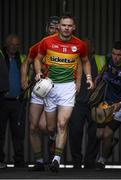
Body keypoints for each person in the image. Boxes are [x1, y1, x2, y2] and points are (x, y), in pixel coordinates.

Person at [34, 14, 94, 172]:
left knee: (62, 124)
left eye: (70, 26)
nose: (66, 28)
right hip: (50, 87)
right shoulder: (46, 42)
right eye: (64, 25)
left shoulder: (80, 44)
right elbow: (37, 58)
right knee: (50, 126)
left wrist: (88, 78)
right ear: (59, 27)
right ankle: (53, 137)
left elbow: (85, 61)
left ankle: (56, 159)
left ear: (73, 27)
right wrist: (38, 72)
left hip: (68, 88)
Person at [21, 16, 60, 171]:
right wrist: (24, 79)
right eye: (52, 28)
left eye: (58, 28)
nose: (55, 31)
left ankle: (52, 137)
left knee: (46, 126)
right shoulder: (38, 46)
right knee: (32, 127)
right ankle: (39, 161)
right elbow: (26, 63)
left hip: (54, 91)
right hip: (38, 90)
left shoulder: (63, 48)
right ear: (47, 29)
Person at [94, 41, 121, 169]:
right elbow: (105, 68)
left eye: (119, 55)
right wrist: (99, 77)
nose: (116, 57)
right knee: (99, 134)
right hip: (107, 102)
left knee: (107, 134)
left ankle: (101, 160)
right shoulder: (109, 59)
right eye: (114, 54)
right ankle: (110, 143)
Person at [69, 39, 106, 169]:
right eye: (83, 47)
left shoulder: (101, 60)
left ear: (93, 49)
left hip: (95, 104)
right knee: (75, 132)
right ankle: (76, 161)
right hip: (77, 103)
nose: (86, 49)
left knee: (94, 133)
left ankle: (90, 161)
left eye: (88, 47)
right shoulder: (74, 61)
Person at [0, 34, 26, 168]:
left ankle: (19, 161)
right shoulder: (1, 57)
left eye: (16, 45)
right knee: (0, 132)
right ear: (6, 45)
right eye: (12, 44)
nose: (14, 47)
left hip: (18, 102)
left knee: (19, 133)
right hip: (2, 101)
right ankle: (0, 160)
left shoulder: (21, 59)